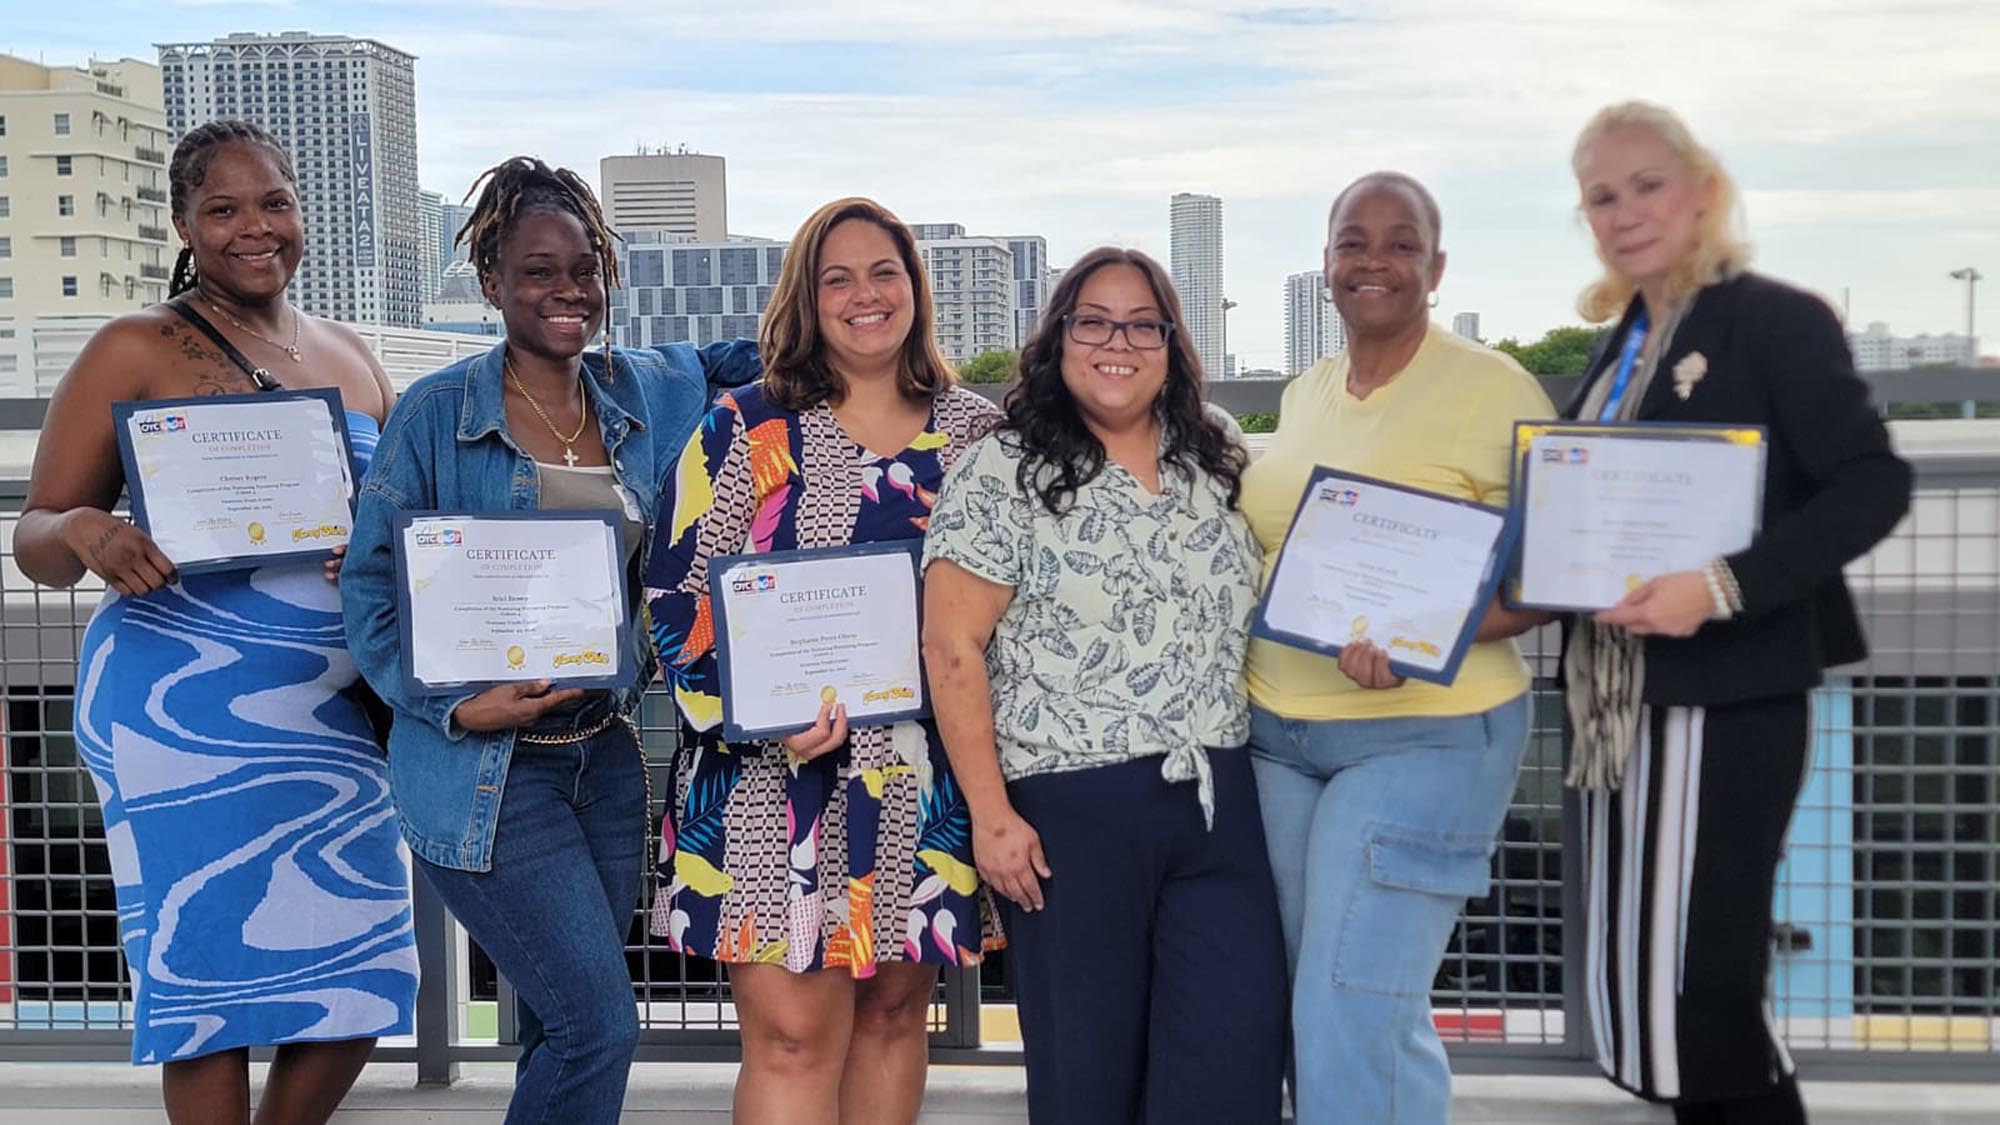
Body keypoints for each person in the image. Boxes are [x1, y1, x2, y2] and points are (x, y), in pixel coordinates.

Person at [340, 156, 757, 1124]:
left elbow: (748, 359)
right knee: (597, 1022)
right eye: (539, 271)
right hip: (481, 770)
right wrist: (454, 702)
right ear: (491, 283)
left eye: (585, 270)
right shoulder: (435, 415)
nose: (569, 291)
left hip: (601, 763)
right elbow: (369, 591)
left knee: (557, 1025)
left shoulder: (642, 390)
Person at [15, 119, 413, 1123]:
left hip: (333, 713)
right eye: (223, 208)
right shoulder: (133, 347)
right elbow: (35, 534)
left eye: (273, 201)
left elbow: (405, 520)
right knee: (208, 990)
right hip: (174, 716)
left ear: (300, 210)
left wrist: (379, 554)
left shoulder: (348, 352)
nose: (254, 227)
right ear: (184, 224)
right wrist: (91, 531)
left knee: (365, 973)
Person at [1563, 101, 1910, 1125]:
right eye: (1599, 196)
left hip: (1728, 703)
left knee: (1703, 994)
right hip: (1630, 709)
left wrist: (1718, 586)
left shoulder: (1769, 318)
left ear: (1702, 190)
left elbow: (1871, 484)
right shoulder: (1625, 336)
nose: (1624, 212)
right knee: (1661, 999)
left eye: (1645, 184)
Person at [645, 197, 1000, 1125]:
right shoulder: (745, 427)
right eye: (835, 277)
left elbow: (1015, 610)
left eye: (884, 272)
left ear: (915, 288)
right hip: (772, 781)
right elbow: (674, 594)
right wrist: (751, 710)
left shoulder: (974, 437)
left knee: (891, 1020)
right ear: (806, 299)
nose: (864, 295)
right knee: (794, 1037)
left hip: (922, 784)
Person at [923, 247, 1287, 1124]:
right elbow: (951, 647)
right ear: (1059, 338)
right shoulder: (1003, 472)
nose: (1116, 342)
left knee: (1231, 1071)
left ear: (1171, 342)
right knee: (1088, 1083)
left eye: (1141, 323)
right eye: (1093, 321)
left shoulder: (1221, 459)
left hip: (1221, 806)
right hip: (1071, 816)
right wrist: (991, 815)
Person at [1238, 172, 1556, 1123]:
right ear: (1326, 263)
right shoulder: (1305, 393)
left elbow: (1553, 571)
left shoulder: (1493, 386)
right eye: (1352, 241)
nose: (1374, 260)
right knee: (1304, 992)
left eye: (1401, 242)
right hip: (1277, 736)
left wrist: (1427, 639)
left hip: (1426, 731)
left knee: (1354, 999)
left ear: (1437, 264)